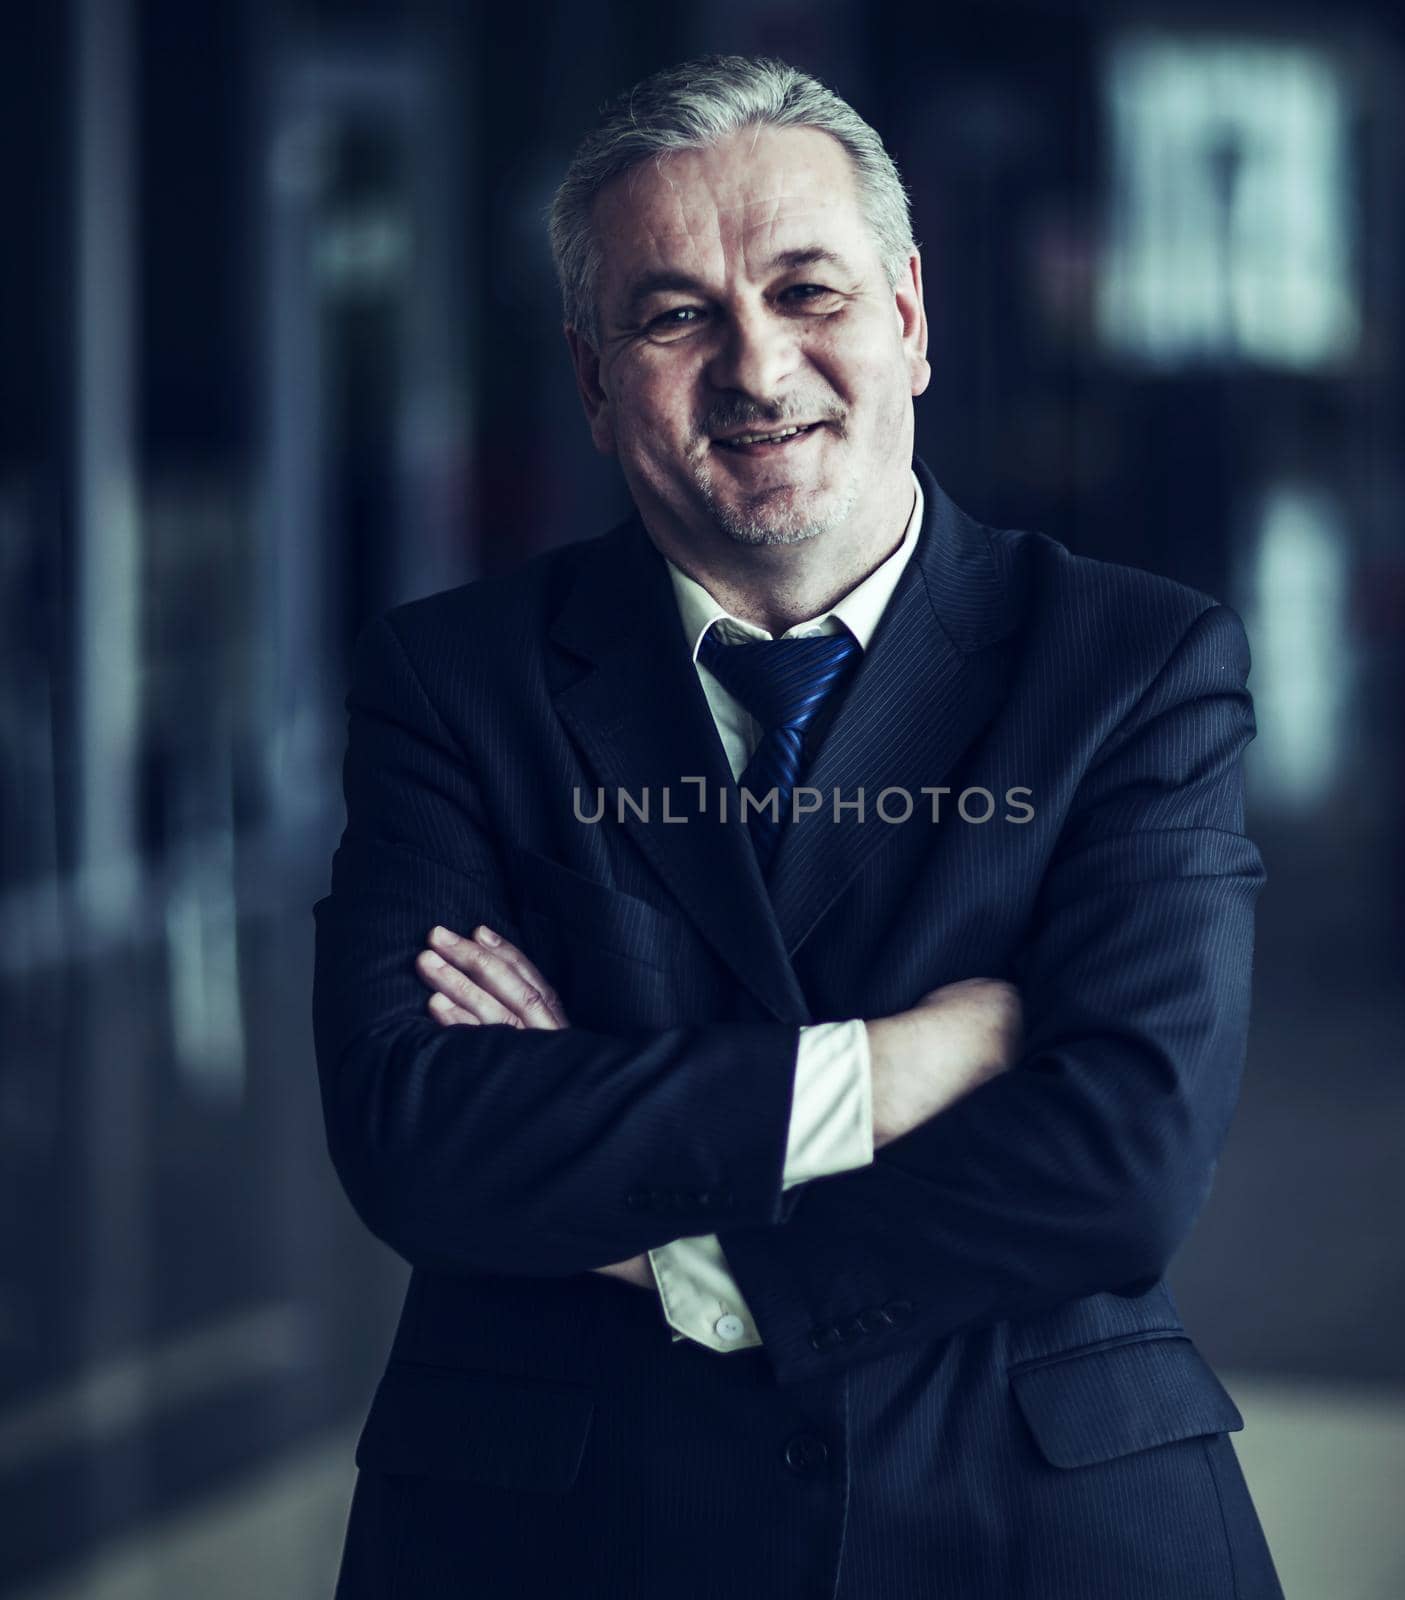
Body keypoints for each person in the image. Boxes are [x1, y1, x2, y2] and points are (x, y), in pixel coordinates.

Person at [312, 53, 1283, 1600]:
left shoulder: (1133, 666)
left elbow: (1125, 1157)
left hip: (1030, 1524)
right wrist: (899, 1067)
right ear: (591, 375)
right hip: (558, 1533)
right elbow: (420, 1139)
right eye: (677, 313)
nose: (757, 370)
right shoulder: (454, 684)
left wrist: (702, 1260)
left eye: (807, 291)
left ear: (907, 315)